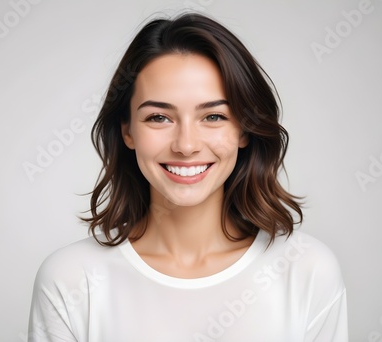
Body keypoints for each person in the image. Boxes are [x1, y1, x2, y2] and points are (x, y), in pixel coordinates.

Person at [28, 12, 348, 342]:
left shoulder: (307, 271)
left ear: (244, 130)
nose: (186, 145)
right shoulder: (69, 280)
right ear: (127, 131)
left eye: (213, 116)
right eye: (159, 117)